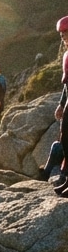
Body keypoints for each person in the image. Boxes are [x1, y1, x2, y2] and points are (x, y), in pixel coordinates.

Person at [55, 16, 68, 196]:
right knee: (65, 138)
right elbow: (66, 85)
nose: (63, 37)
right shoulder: (66, 54)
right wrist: (60, 104)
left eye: (66, 33)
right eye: (62, 34)